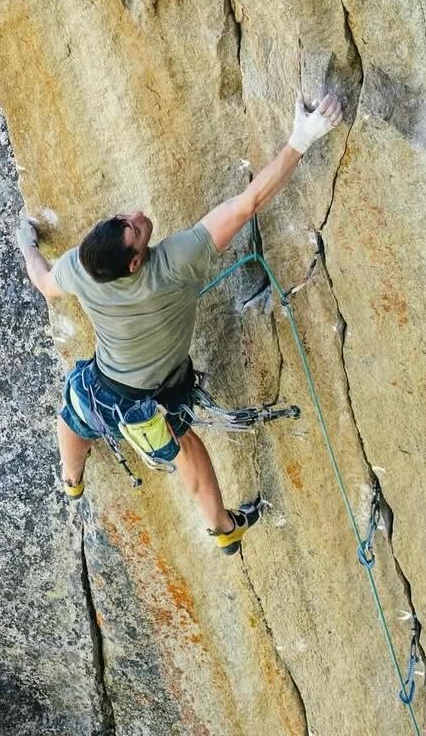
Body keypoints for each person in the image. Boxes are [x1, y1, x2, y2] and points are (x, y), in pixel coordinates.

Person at [17, 93, 344, 554]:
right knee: (186, 448)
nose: (135, 217)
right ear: (134, 263)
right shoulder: (175, 263)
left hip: (102, 386)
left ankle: (71, 480)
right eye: (134, 229)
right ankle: (224, 527)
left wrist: (28, 245)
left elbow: (46, 284)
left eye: (123, 219)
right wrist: (301, 139)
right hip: (149, 403)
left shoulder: (79, 267)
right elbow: (247, 205)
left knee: (74, 415)